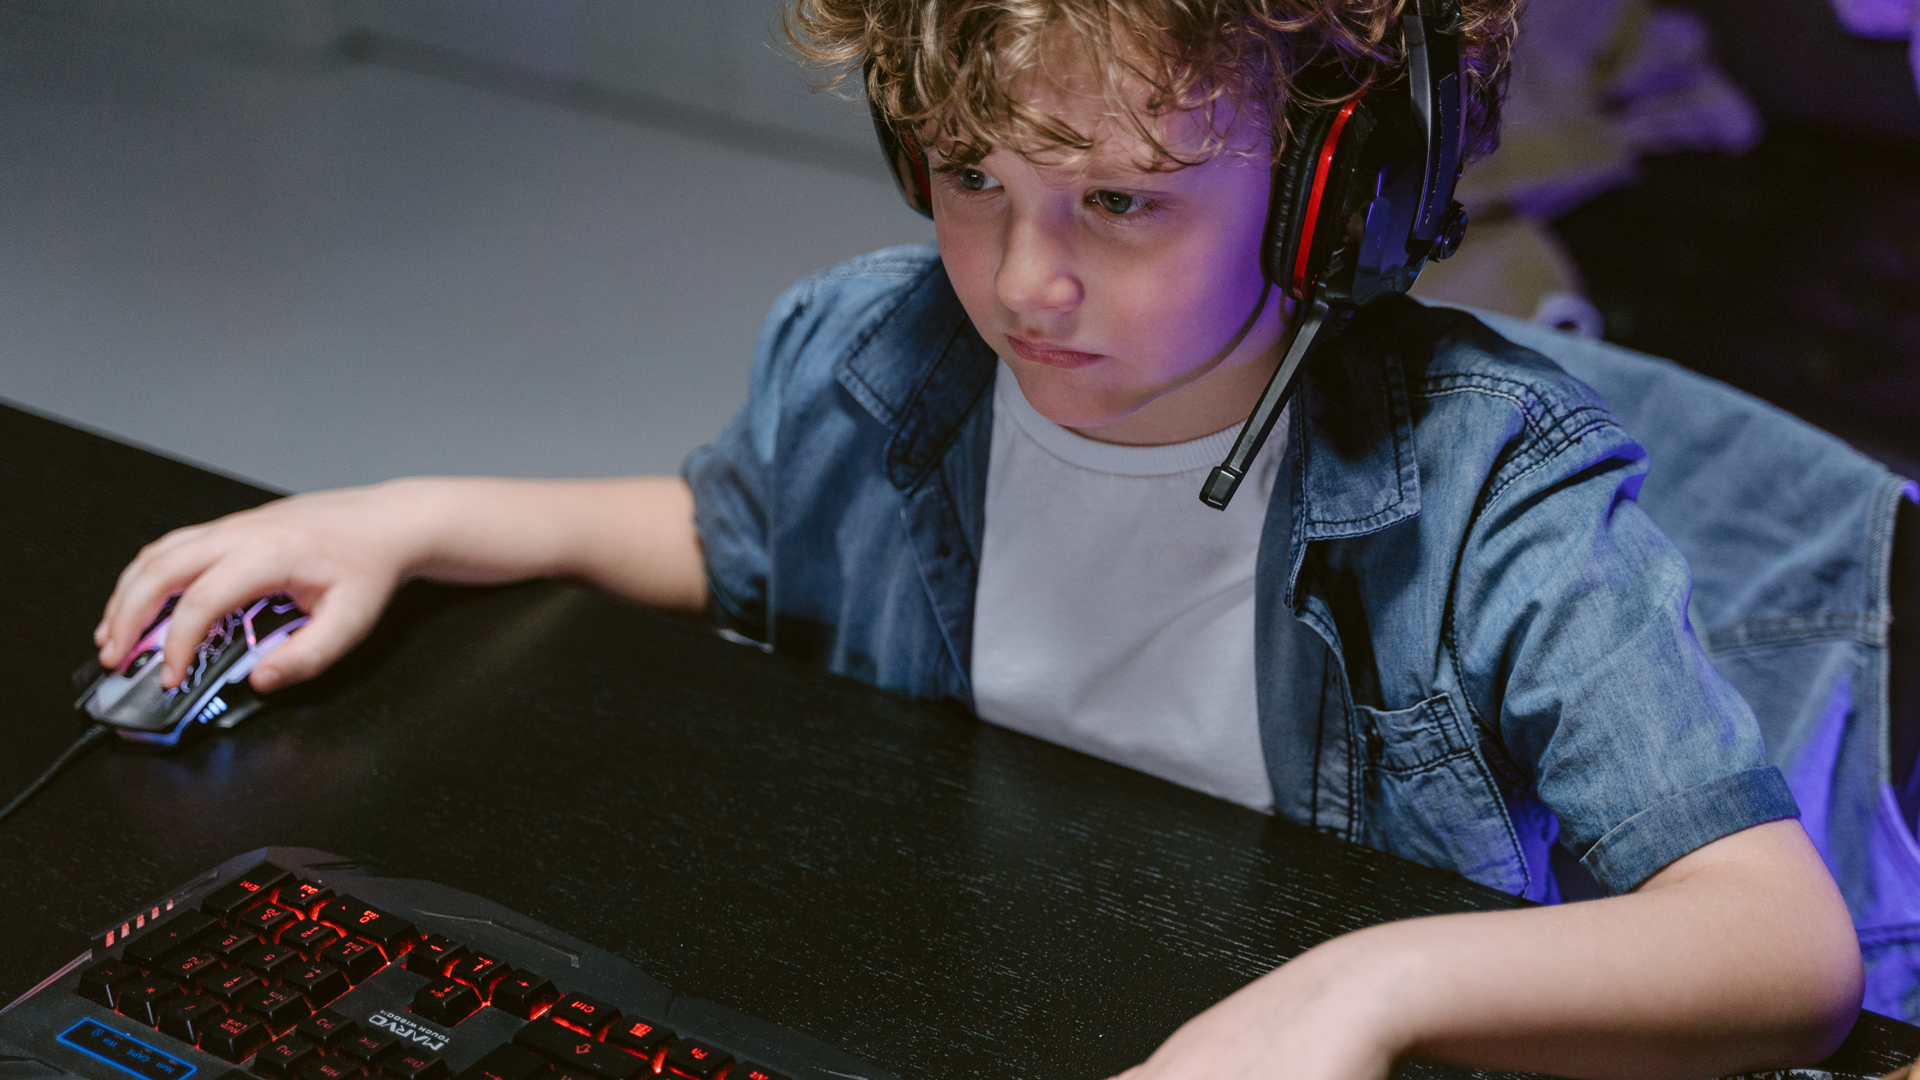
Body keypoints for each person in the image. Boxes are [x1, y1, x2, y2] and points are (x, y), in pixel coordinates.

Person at [93, 1, 1865, 1076]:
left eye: (1119, 200)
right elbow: (748, 539)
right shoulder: (879, 359)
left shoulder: (1492, 497)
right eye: (967, 178)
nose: (1023, 280)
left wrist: (1369, 989)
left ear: (1338, 179)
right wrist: (418, 514)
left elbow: (1781, 952)